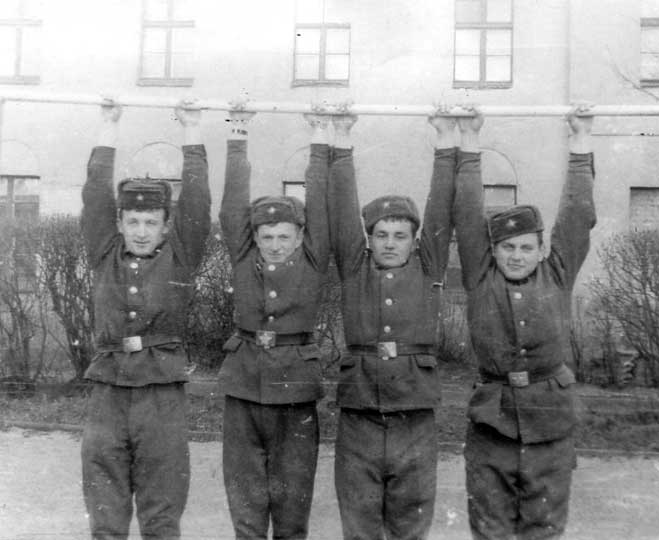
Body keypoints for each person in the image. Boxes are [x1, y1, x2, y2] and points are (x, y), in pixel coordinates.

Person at [452, 104, 595, 539]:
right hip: (492, 424)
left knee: (543, 530)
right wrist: (470, 141)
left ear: (541, 249)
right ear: (493, 250)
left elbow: (576, 216)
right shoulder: (481, 277)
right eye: (507, 247)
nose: (516, 256)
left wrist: (581, 143)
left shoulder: (557, 274)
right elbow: (467, 214)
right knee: (490, 530)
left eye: (526, 247)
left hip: (550, 421)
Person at [80, 99, 210, 539]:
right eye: (132, 221)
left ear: (166, 225)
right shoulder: (105, 253)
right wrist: (108, 126)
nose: (140, 231)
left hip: (161, 393)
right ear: (118, 222)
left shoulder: (181, 256)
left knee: (162, 510)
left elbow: (198, 199)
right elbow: (95, 193)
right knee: (105, 508)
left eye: (150, 222)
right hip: (108, 392)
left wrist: (192, 129)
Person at [326, 112, 456, 539]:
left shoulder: (428, 267)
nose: (389, 243)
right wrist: (342, 138)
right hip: (360, 413)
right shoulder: (354, 268)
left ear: (415, 241)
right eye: (381, 234)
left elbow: (441, 207)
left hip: (413, 415)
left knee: (410, 525)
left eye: (400, 236)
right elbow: (343, 210)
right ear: (368, 238)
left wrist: (446, 141)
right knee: (358, 523)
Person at [218, 109, 331, 539]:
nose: (276, 245)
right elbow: (233, 206)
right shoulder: (244, 258)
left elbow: (320, 204)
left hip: (295, 386)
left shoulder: (312, 261)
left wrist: (318, 139)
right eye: (267, 237)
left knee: (292, 501)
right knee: (245, 499)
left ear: (300, 237)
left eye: (284, 237)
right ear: (255, 239)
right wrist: (238, 133)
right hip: (244, 384)